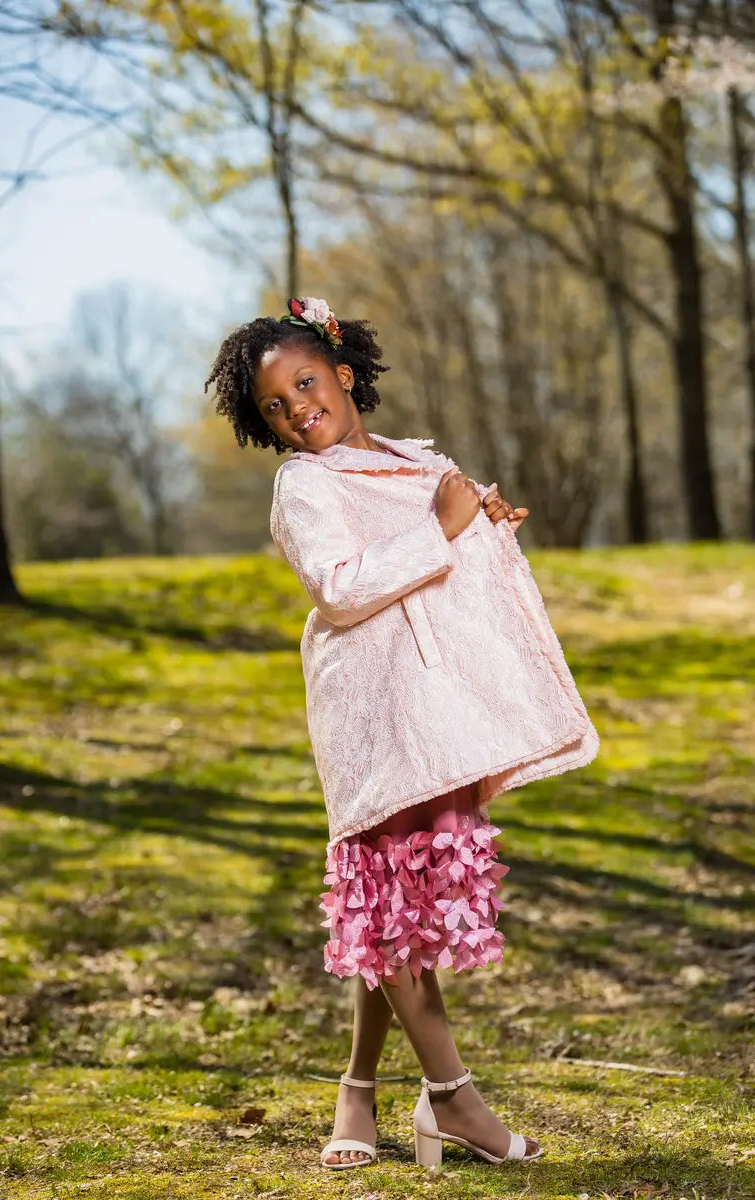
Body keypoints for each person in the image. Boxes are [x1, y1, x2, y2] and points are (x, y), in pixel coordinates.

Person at [205, 296, 601, 1172]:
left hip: (441, 706)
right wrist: (443, 526)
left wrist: (482, 526)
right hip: (379, 712)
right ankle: (453, 1099)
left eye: (306, 383)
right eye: (274, 404)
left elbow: (446, 538)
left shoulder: (416, 458)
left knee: (404, 914)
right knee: (387, 906)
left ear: (343, 374)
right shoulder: (304, 486)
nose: (296, 408)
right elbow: (341, 588)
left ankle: (358, 1088)